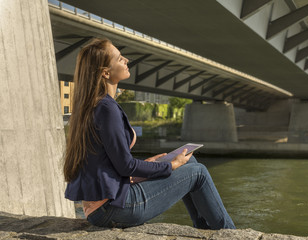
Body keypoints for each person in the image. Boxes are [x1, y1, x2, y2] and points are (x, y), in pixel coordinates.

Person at [63, 38, 236, 229]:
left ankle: (206, 231)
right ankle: (228, 233)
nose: (126, 60)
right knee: (199, 172)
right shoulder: (106, 108)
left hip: (104, 206)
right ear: (106, 73)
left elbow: (112, 164)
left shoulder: (94, 105)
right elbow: (125, 167)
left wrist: (149, 164)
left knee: (191, 162)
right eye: (120, 59)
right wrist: (170, 165)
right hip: (113, 208)